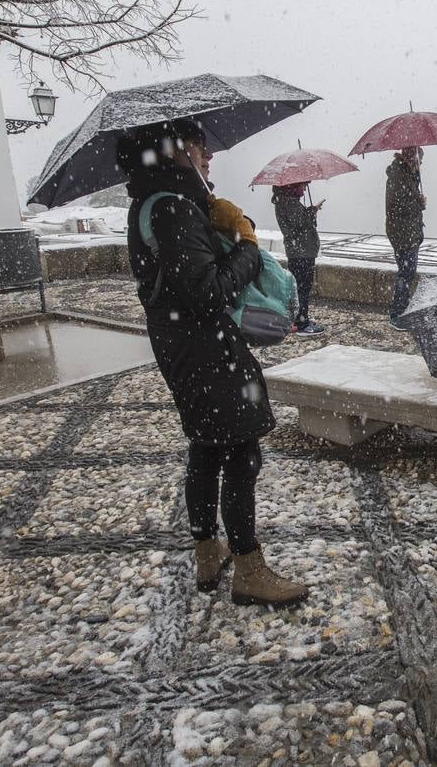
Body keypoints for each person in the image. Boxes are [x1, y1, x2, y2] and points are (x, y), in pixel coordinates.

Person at [122, 118, 309, 608]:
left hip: (182, 347)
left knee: (205, 449)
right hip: (208, 351)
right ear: (175, 150)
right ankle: (250, 570)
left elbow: (182, 284)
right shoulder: (173, 210)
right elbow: (209, 293)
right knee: (241, 455)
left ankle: (208, 551)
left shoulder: (152, 203)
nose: (209, 156)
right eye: (199, 146)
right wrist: (247, 243)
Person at [271, 181, 324, 335]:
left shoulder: (286, 200)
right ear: (292, 186)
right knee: (302, 287)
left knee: (299, 286)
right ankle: (302, 324)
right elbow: (300, 222)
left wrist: (311, 211)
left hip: (299, 250)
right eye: (303, 185)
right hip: (301, 251)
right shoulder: (288, 202)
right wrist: (313, 210)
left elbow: (299, 221)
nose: (305, 189)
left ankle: (298, 319)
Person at [385, 146, 425, 328]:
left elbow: (405, 202)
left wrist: (417, 201)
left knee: (407, 272)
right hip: (403, 232)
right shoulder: (399, 175)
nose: (421, 163)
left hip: (406, 231)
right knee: (406, 272)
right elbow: (397, 206)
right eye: (420, 160)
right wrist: (418, 203)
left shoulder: (405, 175)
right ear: (412, 158)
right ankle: (398, 313)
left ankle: (403, 309)